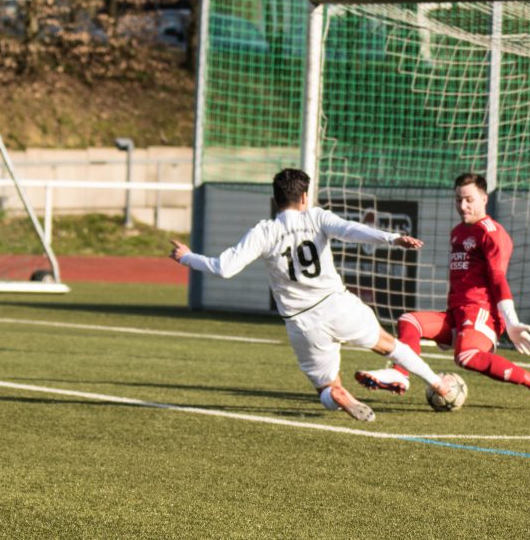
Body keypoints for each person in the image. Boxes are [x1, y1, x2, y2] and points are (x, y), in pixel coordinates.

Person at [169, 168, 456, 422]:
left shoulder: (264, 232)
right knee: (390, 345)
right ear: (304, 197)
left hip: (302, 322)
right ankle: (438, 383)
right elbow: (350, 230)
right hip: (337, 305)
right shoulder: (317, 217)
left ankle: (338, 394)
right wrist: (391, 238)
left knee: (326, 389)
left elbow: (224, 268)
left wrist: (187, 257)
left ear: (276, 200)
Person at [355, 173, 530, 411]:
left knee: (466, 356)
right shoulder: (458, 232)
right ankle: (400, 374)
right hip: (457, 313)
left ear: (484, 199)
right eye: (458, 200)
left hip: (483, 313)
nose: (463, 206)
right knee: (409, 321)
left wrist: (511, 322)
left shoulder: (491, 233)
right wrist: (453, 327)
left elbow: (498, 279)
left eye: (469, 200)